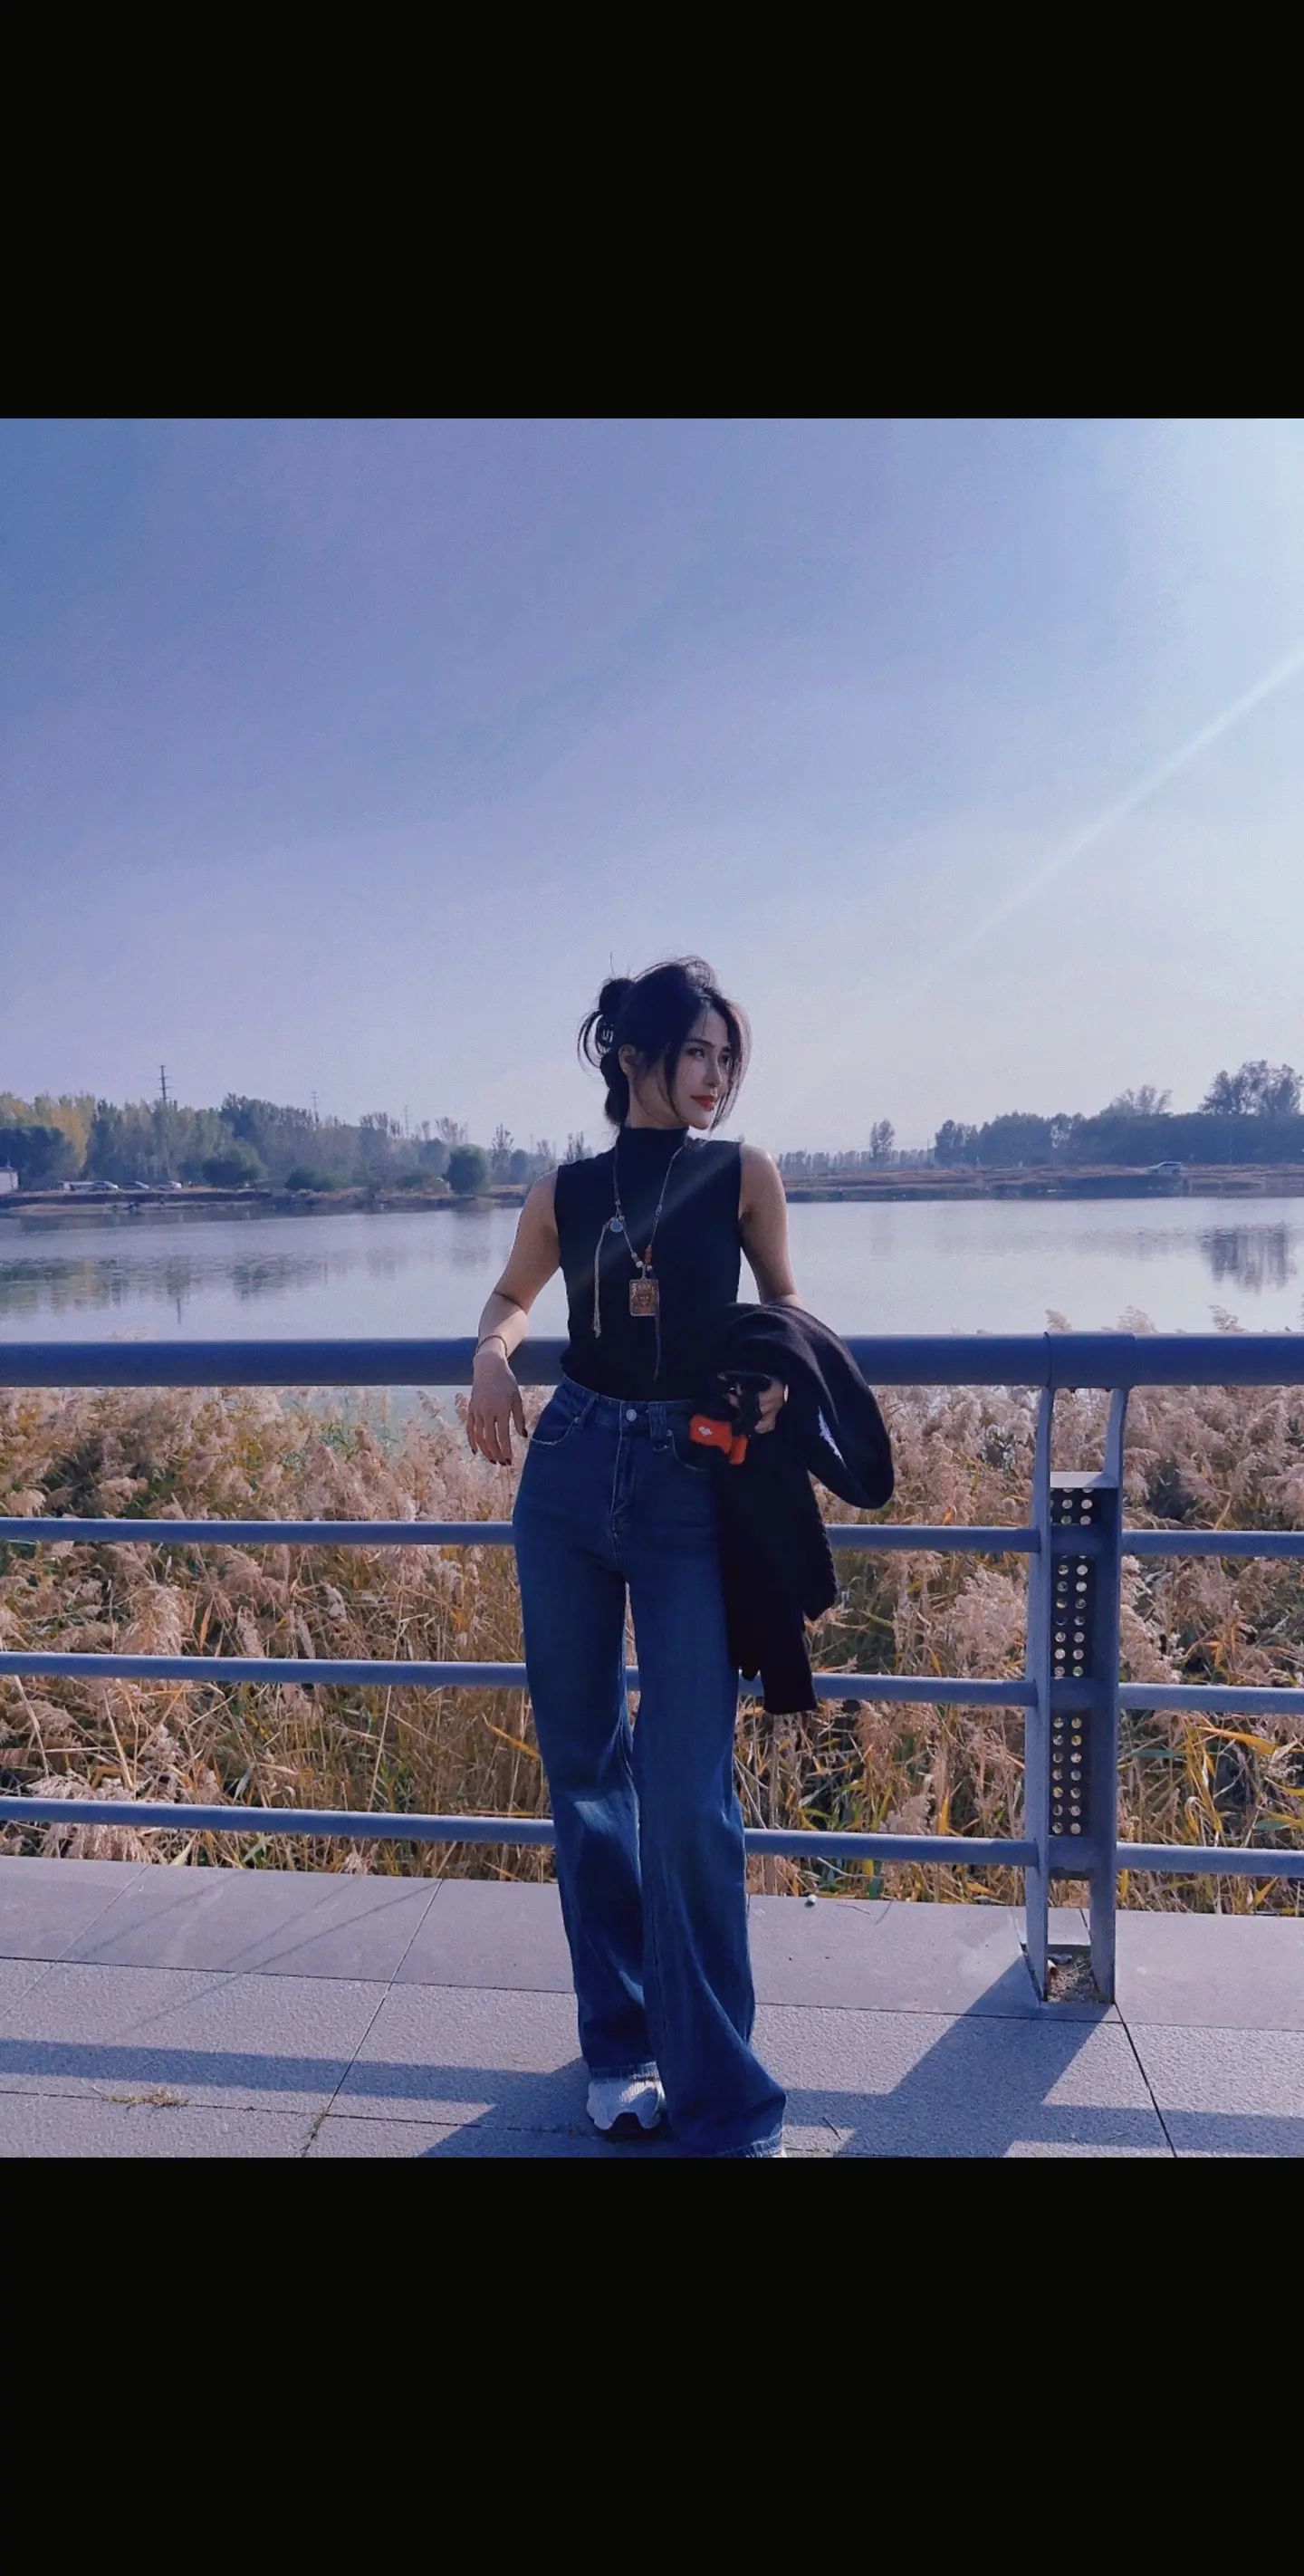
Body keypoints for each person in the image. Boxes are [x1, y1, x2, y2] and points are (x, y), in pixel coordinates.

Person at [466, 956, 795, 2156]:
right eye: (696, 1052)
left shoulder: (743, 1174)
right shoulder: (566, 1190)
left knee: (690, 1793)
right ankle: (620, 2050)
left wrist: (770, 1380)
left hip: (688, 1484)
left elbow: (784, 1309)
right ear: (634, 1058)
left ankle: (728, 2100)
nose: (715, 1075)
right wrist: (492, 1355)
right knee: (587, 1774)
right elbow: (512, 1295)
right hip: (570, 1472)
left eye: (726, 1056)